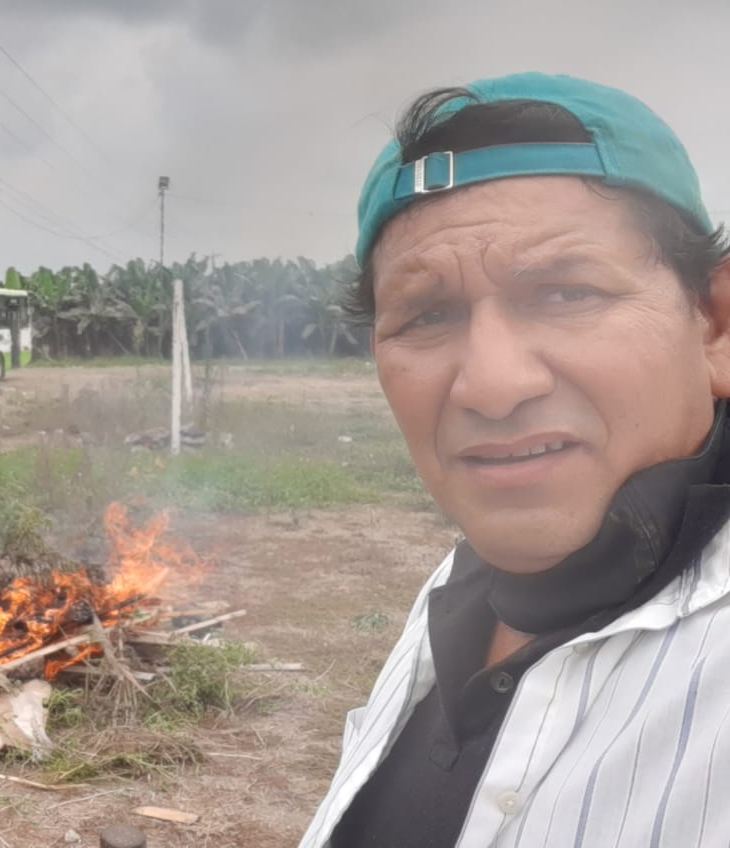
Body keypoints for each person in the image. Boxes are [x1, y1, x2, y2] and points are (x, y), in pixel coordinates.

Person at [299, 72, 730, 847]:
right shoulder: (466, 584)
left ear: (716, 325)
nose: (492, 386)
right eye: (428, 315)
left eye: (567, 293)